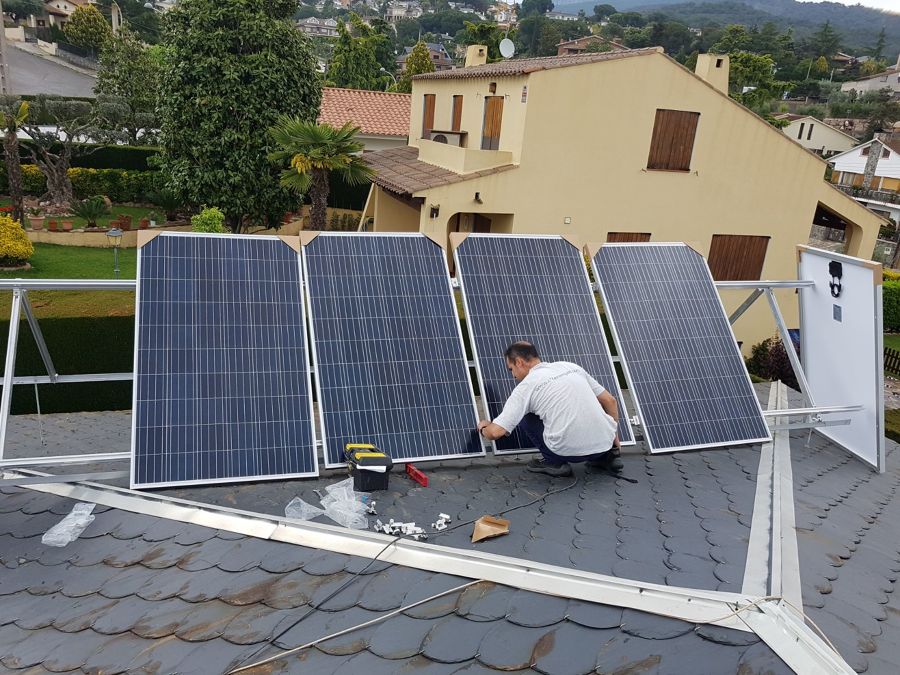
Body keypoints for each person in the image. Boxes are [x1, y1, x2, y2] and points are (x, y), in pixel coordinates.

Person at [476, 341, 623, 477]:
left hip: (567, 452)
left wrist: (484, 427)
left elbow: (495, 432)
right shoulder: (571, 367)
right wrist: (613, 434)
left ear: (519, 362)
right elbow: (610, 401)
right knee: (588, 401)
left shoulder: (526, 387)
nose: (513, 376)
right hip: (605, 444)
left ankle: (554, 462)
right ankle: (607, 457)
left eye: (511, 369)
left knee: (524, 415)